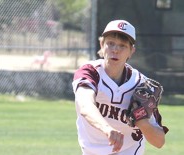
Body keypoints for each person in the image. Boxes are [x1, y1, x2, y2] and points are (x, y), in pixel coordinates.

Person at [72, 20, 168, 155]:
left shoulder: (141, 85)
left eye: (122, 46)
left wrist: (141, 121)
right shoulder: (90, 72)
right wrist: (107, 129)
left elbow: (159, 142)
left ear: (131, 51)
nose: (115, 50)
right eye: (110, 43)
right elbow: (85, 106)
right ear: (102, 44)